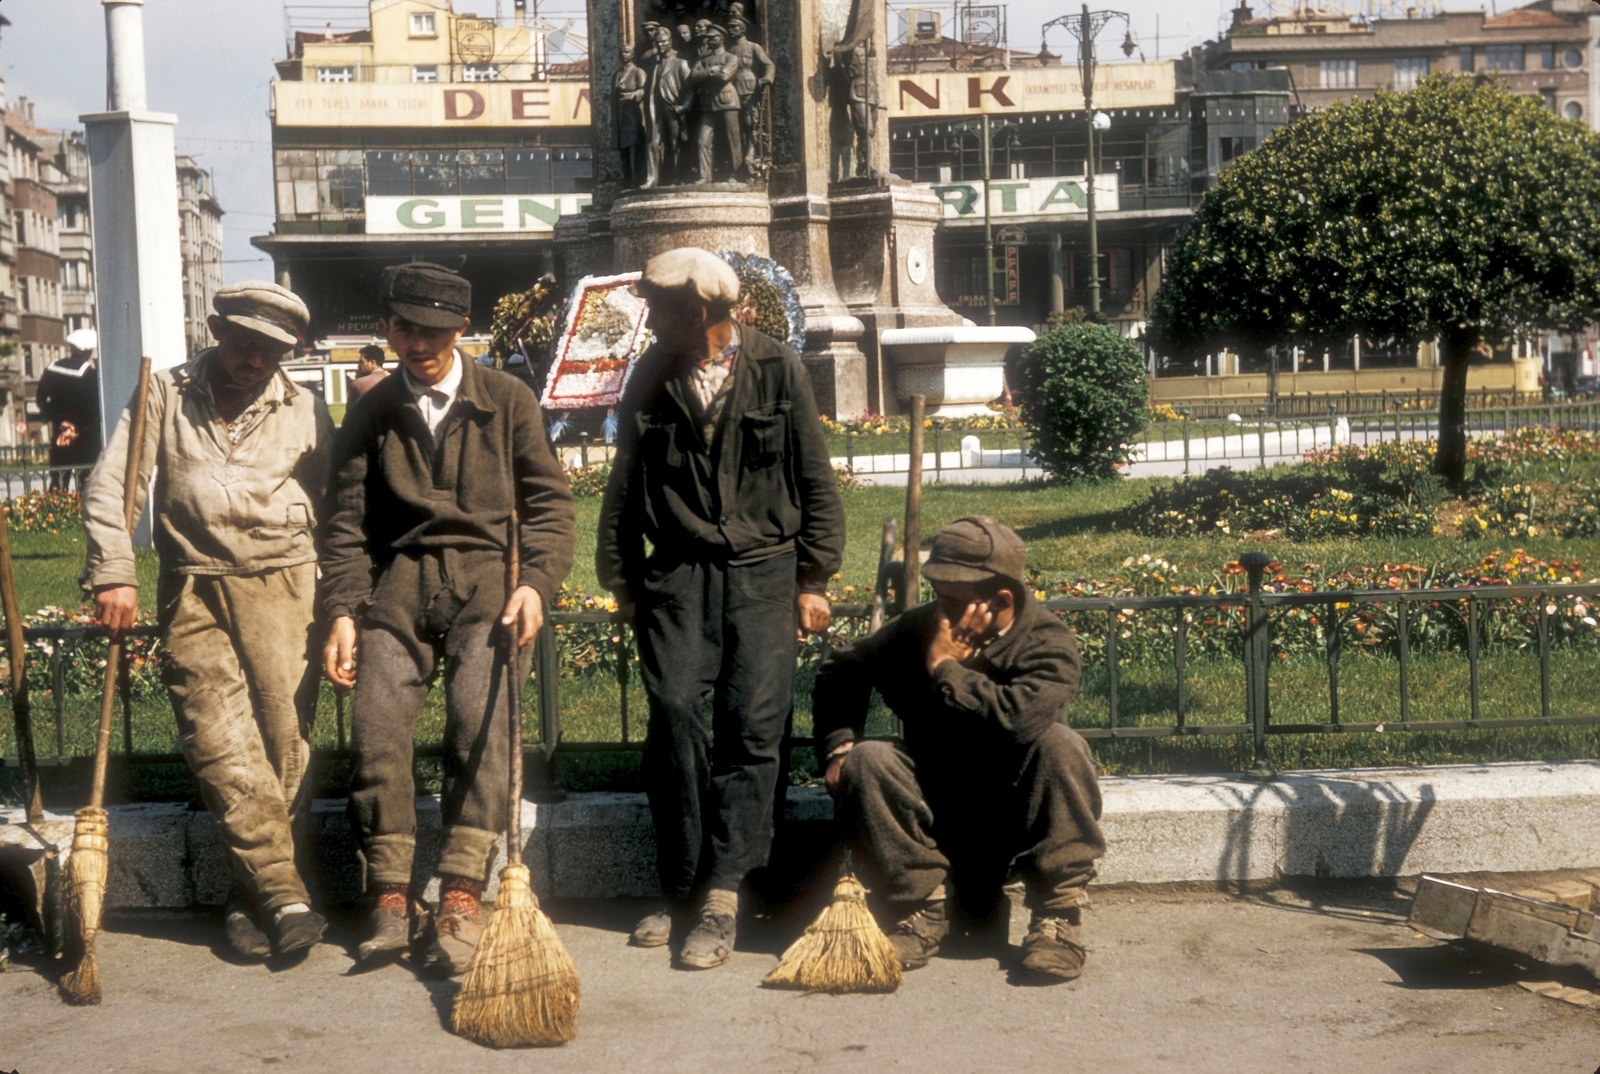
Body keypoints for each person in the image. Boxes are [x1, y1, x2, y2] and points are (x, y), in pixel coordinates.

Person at [321, 262, 576, 975]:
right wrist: (343, 611)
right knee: (376, 730)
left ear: (463, 328)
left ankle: (463, 891)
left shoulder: (507, 399)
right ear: (389, 327)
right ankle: (393, 896)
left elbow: (551, 508)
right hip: (398, 585)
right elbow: (344, 524)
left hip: (489, 583)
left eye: (434, 330)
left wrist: (536, 586)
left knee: (479, 723)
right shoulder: (373, 411)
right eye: (406, 328)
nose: (419, 344)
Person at [596, 247, 844, 969]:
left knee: (752, 727)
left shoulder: (775, 368)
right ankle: (677, 885)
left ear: (700, 313)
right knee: (674, 715)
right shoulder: (652, 373)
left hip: (766, 573)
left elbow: (815, 476)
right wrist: (622, 578)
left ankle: (723, 893)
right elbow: (623, 483)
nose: (651, 320)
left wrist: (814, 578)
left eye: (661, 309)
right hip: (678, 573)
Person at [81, 282, 332, 966]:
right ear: (217, 327)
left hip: (285, 585)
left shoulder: (306, 408)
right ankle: (284, 894)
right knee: (218, 741)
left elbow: (341, 510)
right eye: (244, 341)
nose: (254, 359)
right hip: (192, 586)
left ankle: (246, 900)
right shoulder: (165, 391)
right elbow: (116, 482)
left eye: (272, 349)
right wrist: (113, 571)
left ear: (294, 350)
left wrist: (343, 607)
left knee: (282, 744)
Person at [812, 516, 1105, 984]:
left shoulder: (1049, 643)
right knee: (870, 758)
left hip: (1015, 818)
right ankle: (922, 910)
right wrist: (839, 744)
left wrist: (947, 668)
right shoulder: (918, 629)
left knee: (1061, 745)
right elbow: (842, 668)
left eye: (953, 600)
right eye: (938, 595)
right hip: (932, 811)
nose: (940, 613)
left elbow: (1017, 721)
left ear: (1001, 599)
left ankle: (1057, 917)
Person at [37, 328, 103, 491]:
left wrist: (61, 423)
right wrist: (76, 429)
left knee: (58, 481)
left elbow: (41, 400)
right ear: (88, 353)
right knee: (86, 483)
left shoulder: (52, 369)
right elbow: (94, 409)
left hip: (60, 434)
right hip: (86, 438)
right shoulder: (90, 375)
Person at [682, 25, 742, 183]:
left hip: (727, 101)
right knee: (703, 140)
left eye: (712, 38)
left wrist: (708, 74)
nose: (709, 40)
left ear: (721, 39)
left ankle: (735, 174)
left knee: (732, 139)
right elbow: (692, 77)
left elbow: (724, 76)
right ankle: (705, 176)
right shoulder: (703, 60)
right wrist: (711, 71)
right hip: (707, 105)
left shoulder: (731, 58)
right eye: (708, 38)